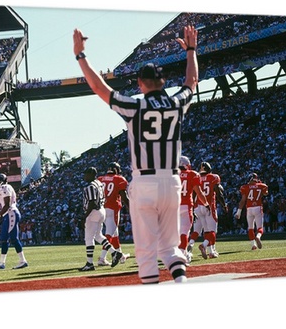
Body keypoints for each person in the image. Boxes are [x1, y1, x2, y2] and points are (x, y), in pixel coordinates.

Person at [73, 25, 200, 283]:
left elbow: (100, 88)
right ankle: (181, 284)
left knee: (146, 254)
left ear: (140, 84)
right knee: (171, 250)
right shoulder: (175, 105)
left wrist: (80, 56)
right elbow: (191, 82)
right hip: (172, 180)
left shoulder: (135, 106)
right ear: (163, 82)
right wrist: (191, 51)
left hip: (144, 181)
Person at [78, 167, 115, 271]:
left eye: (86, 174)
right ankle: (114, 253)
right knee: (98, 236)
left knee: (89, 238)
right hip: (101, 210)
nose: (84, 176)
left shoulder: (90, 186)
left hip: (93, 212)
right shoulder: (99, 183)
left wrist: (84, 217)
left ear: (91, 174)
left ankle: (89, 264)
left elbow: (92, 202)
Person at [0, 173, 29, 270]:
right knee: (6, 238)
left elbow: (7, 204)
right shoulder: (4, 187)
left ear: (1, 180)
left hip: (11, 213)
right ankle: (2, 262)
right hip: (9, 214)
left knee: (11, 238)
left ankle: (22, 261)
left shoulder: (4, 187)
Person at [97, 162, 129, 266]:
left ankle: (120, 255)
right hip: (112, 209)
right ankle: (102, 258)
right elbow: (123, 196)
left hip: (102, 208)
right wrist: (131, 208)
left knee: (115, 234)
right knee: (109, 234)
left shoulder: (100, 179)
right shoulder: (119, 179)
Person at [192, 161, 225, 258]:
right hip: (209, 206)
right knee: (213, 230)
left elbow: (194, 193)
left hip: (198, 206)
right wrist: (224, 204)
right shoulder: (213, 177)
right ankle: (204, 245)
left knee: (206, 230)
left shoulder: (196, 177)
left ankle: (211, 251)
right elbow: (219, 193)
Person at [177, 156, 206, 263]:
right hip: (186, 206)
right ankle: (182, 255)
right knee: (184, 232)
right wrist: (206, 204)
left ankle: (179, 255)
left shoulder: (171, 174)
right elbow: (199, 192)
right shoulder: (192, 174)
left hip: (173, 207)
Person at [236, 173, 270, 250]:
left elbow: (243, 200)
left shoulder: (245, 187)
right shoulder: (262, 185)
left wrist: (239, 212)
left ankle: (253, 245)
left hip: (249, 208)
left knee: (250, 227)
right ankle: (258, 237)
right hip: (258, 207)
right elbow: (265, 193)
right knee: (260, 228)